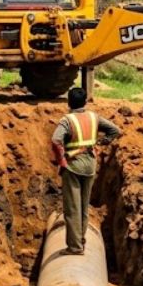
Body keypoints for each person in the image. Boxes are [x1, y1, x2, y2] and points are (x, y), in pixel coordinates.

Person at [50, 88, 121, 254]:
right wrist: (101, 142)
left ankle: (74, 247)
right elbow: (115, 130)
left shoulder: (67, 120)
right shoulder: (93, 117)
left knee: (72, 208)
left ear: (69, 102)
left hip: (73, 166)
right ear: (85, 102)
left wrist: (62, 161)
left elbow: (56, 140)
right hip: (90, 166)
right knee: (83, 207)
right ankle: (81, 239)